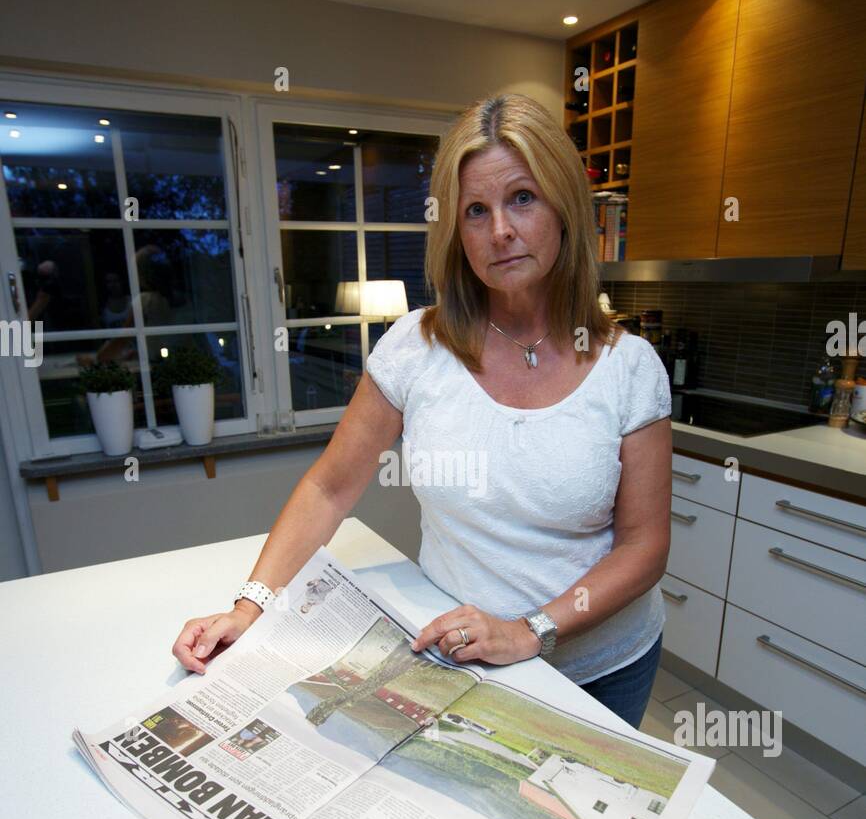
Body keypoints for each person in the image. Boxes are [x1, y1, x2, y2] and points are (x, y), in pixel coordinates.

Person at [172, 93, 672, 730]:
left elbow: (644, 545)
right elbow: (329, 487)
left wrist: (532, 630)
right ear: (455, 230)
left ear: (564, 207)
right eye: (475, 210)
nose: (500, 230)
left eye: (523, 197)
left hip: (600, 667)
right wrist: (251, 608)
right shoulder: (416, 347)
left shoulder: (629, 368)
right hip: (461, 658)